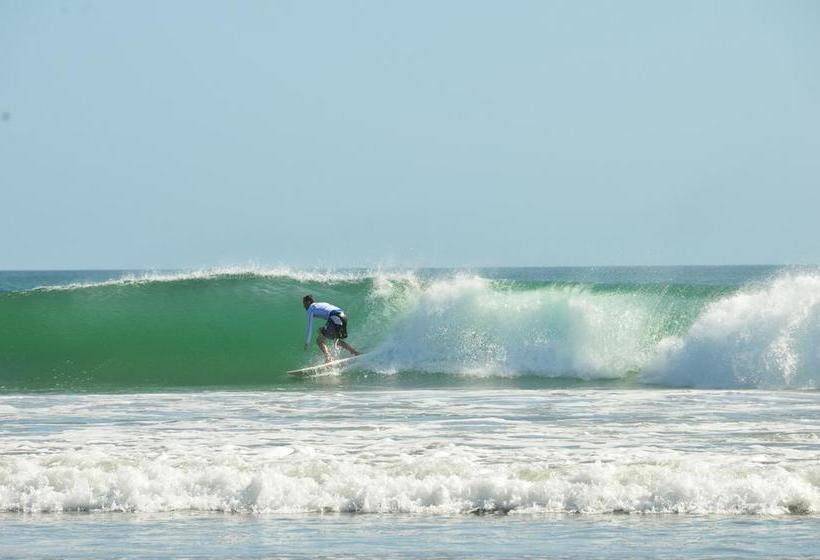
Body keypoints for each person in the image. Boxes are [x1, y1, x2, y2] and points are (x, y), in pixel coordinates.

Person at [302, 295, 361, 363]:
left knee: (319, 341)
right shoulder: (321, 304)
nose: (304, 306)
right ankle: (356, 352)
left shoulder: (311, 308)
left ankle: (328, 358)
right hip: (343, 317)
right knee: (337, 341)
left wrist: (307, 342)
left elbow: (309, 326)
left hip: (335, 317)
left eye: (304, 303)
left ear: (308, 302)